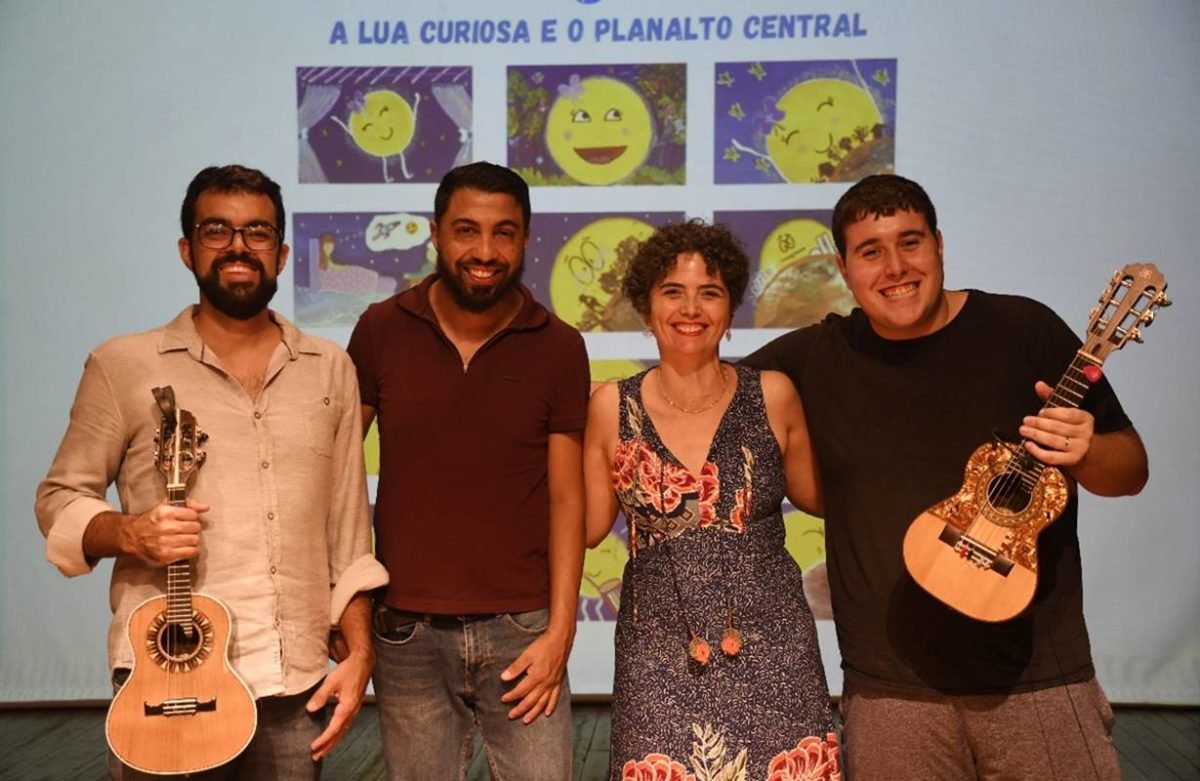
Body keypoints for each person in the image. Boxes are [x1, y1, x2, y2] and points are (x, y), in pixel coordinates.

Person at [744, 174, 1148, 780]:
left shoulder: (1024, 331)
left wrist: (1086, 451)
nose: (895, 267)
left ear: (939, 244)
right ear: (844, 268)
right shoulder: (813, 358)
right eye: (870, 252)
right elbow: (701, 399)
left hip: (1039, 681)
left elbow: (1131, 470)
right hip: (890, 692)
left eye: (911, 243)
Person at [34, 164, 388, 780]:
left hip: (292, 684)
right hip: (165, 679)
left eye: (256, 232)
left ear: (279, 253)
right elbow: (60, 498)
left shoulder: (328, 369)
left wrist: (359, 652)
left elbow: (349, 536)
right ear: (186, 250)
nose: (237, 247)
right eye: (216, 230)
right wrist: (130, 532)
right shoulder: (124, 365)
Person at [347, 161, 589, 780]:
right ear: (435, 233)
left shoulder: (560, 345)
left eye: (504, 232)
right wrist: (345, 605)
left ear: (527, 238)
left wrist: (561, 631)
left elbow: (567, 499)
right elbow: (337, 473)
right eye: (466, 231)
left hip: (524, 629)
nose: (485, 251)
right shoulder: (380, 329)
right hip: (406, 633)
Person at [585, 220, 840, 780]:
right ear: (645, 304)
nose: (690, 308)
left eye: (710, 292)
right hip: (657, 654)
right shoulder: (610, 407)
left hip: (775, 649)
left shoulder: (773, 393)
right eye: (672, 291)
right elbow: (585, 526)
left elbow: (824, 497)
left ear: (730, 308)